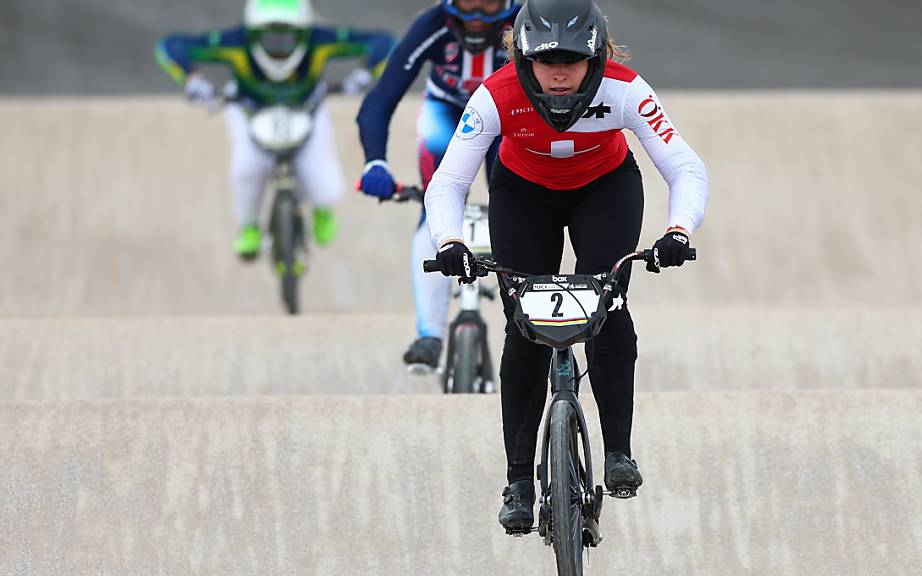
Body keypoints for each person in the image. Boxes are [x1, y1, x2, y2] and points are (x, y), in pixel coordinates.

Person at [423, 0, 708, 532]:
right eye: (545, 61)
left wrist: (678, 230)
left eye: (573, 60)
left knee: (609, 305)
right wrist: (450, 240)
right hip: (522, 193)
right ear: (523, 59)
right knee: (523, 326)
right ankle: (519, 481)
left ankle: (619, 452)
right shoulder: (496, 95)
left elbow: (683, 165)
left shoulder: (625, 90)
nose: (558, 73)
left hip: (605, 188)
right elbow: (450, 180)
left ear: (596, 58)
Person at [156, 0, 394, 259]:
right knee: (247, 168)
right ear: (254, 34)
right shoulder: (236, 43)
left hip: (307, 107)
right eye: (270, 37)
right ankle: (248, 226)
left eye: (287, 36)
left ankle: (323, 208)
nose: (279, 45)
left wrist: (365, 73)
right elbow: (171, 46)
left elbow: (383, 41)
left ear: (303, 32)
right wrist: (192, 79)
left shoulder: (319, 40)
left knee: (321, 171)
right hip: (249, 110)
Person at [356, 0, 520, 371]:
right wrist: (375, 162)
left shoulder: (525, 21)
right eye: (468, 1)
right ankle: (429, 333)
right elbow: (380, 100)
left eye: (488, 1)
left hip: (506, 118)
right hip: (446, 115)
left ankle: (529, 324)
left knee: (517, 210)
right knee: (435, 208)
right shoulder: (432, 25)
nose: (477, 15)